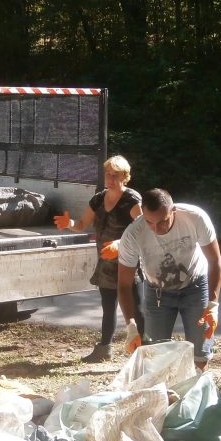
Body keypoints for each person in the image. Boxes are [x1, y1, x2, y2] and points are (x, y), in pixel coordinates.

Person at [116, 188, 221, 369]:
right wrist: (131, 326)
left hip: (196, 286)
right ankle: (166, 395)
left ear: (173, 211)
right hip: (157, 293)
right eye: (150, 222)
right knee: (156, 355)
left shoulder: (195, 218)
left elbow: (215, 261)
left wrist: (213, 304)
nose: (157, 229)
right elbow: (124, 284)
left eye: (163, 222)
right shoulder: (133, 234)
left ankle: (195, 391)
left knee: (200, 352)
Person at [55, 155, 143, 362]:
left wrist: (120, 245)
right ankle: (105, 349)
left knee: (135, 308)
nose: (110, 179)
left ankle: (144, 350)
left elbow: (144, 231)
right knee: (108, 307)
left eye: (116, 175)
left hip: (128, 263)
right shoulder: (98, 199)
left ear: (125, 177)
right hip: (105, 265)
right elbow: (82, 224)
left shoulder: (132, 200)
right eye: (108, 174)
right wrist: (69, 223)